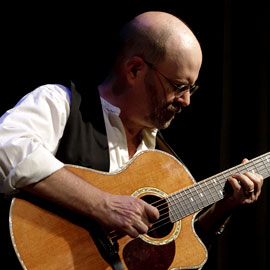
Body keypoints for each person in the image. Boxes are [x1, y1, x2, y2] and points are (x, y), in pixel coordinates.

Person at [0, 11, 264, 269]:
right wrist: (103, 205)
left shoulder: (161, 159)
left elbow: (178, 255)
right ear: (135, 69)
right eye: (178, 86)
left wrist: (223, 208)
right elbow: (6, 147)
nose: (186, 100)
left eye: (191, 88)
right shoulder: (62, 104)